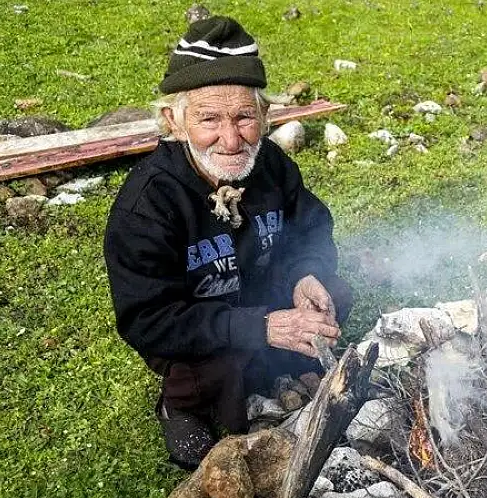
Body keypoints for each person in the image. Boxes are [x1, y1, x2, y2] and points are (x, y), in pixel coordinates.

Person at [103, 16, 352, 469]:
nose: (231, 139)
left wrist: (305, 274)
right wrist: (260, 327)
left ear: (265, 116)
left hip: (265, 301)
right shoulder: (148, 203)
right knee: (206, 367)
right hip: (206, 328)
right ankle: (180, 406)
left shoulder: (272, 166)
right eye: (209, 119)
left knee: (334, 293)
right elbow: (148, 319)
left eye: (244, 117)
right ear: (173, 123)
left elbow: (311, 227)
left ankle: (282, 371)